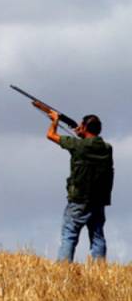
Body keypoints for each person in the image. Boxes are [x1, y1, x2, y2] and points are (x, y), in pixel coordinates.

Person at [40, 103, 114, 262]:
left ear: (86, 127)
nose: (78, 126)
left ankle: (63, 270)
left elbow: (51, 135)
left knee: (69, 234)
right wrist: (80, 133)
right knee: (97, 236)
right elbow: (88, 143)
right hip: (98, 200)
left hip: (79, 200)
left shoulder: (78, 145)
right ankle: (100, 270)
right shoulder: (107, 148)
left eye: (81, 125)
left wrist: (55, 120)